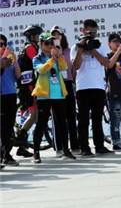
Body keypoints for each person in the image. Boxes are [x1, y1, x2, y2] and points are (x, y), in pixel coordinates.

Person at [71, 19, 114, 156]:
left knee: (97, 118)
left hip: (98, 87)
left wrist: (93, 51)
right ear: (83, 31)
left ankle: (99, 145)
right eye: (89, 32)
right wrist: (80, 50)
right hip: (83, 87)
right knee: (83, 119)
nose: (92, 35)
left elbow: (107, 63)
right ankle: (84, 147)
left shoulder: (98, 46)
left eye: (94, 32)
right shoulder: (75, 47)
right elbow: (76, 66)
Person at [32, 32, 77, 163]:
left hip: (58, 94)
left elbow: (64, 68)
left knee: (62, 122)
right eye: (47, 43)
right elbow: (41, 70)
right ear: (41, 44)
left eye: (52, 43)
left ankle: (66, 150)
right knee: (41, 123)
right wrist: (52, 59)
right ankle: (36, 152)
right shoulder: (38, 58)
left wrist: (60, 56)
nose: (50, 45)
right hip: (44, 96)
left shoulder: (57, 57)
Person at [14, 25, 43, 158]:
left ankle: (21, 146)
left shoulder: (29, 47)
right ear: (32, 37)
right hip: (28, 86)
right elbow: (38, 61)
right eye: (37, 36)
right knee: (33, 115)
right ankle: (20, 137)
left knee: (27, 115)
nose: (39, 38)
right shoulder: (30, 48)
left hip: (25, 86)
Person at [51, 25, 79, 152]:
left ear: (63, 36)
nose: (56, 37)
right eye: (54, 35)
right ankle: (60, 147)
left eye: (58, 34)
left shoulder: (68, 50)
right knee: (58, 117)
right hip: (55, 85)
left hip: (68, 83)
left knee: (71, 115)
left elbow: (73, 69)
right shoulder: (50, 51)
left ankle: (74, 145)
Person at [1, 35, 22, 166]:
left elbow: (18, 76)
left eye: (4, 44)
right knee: (2, 128)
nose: (3, 47)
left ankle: (6, 154)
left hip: (11, 94)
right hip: (1, 96)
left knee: (8, 127)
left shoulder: (9, 60)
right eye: (0, 44)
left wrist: (15, 62)